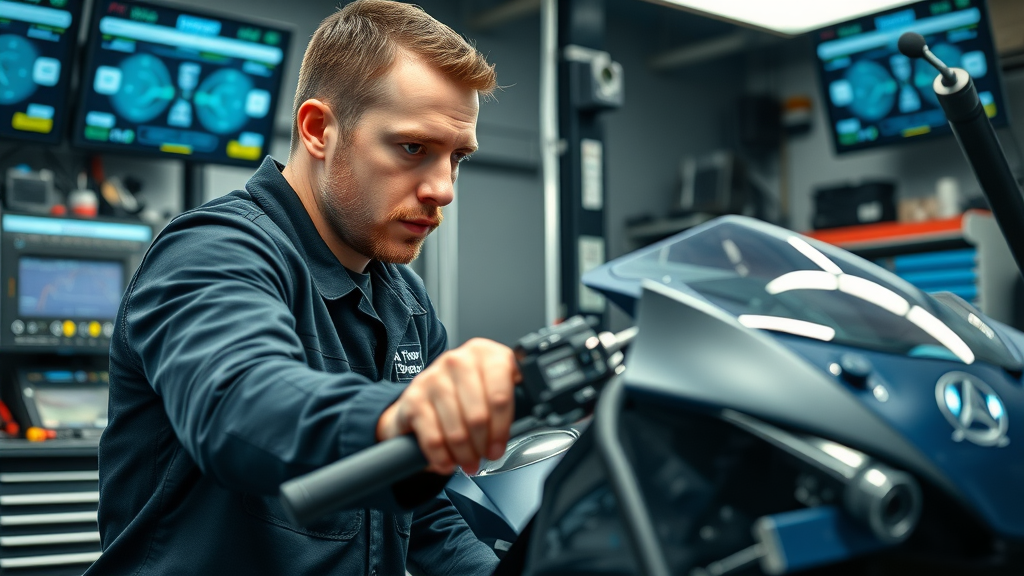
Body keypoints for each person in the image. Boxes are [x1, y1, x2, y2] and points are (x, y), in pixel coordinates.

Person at [84, 2, 517, 574]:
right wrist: (408, 418)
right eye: (413, 148)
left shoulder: (407, 305)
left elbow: (430, 512)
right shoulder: (213, 252)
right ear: (318, 130)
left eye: (456, 158)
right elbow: (242, 407)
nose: (443, 189)